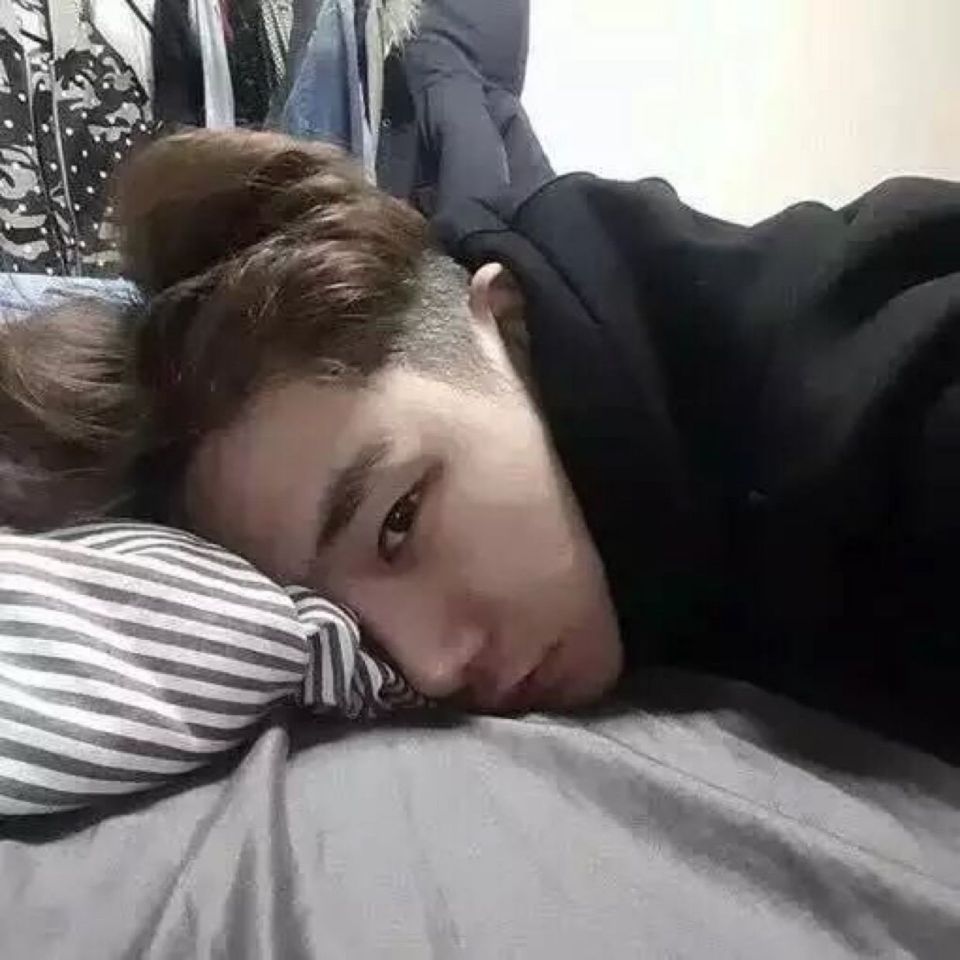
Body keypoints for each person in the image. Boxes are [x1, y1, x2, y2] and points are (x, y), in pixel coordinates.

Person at [4, 128, 960, 760]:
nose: (430, 668)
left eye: (399, 523)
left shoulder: (869, 407)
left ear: (507, 326)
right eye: (357, 634)